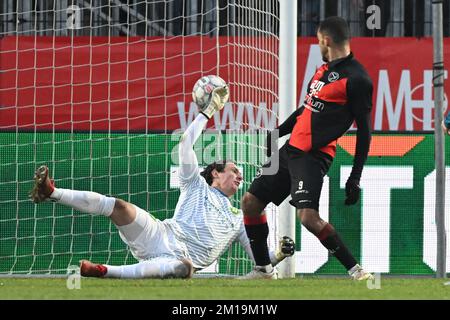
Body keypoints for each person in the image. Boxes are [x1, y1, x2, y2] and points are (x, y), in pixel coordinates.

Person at [29, 84, 294, 279]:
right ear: (214, 173)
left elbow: (260, 259)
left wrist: (280, 253)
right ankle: (52, 191)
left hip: (182, 258)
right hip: (161, 234)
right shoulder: (195, 184)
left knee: (182, 268)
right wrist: (208, 110)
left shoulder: (240, 219)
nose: (240, 176)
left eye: (240, 174)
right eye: (234, 170)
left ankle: (103, 271)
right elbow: (185, 145)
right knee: (119, 206)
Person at [240, 16, 374, 280]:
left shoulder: (358, 79)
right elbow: (307, 109)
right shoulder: (322, 71)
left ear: (325, 40)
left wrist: (355, 176)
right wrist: (278, 133)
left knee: (308, 218)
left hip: (314, 156)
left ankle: (358, 272)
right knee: (250, 202)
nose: (318, 46)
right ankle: (263, 269)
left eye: (318, 41)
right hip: (291, 149)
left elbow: (365, 131)